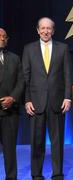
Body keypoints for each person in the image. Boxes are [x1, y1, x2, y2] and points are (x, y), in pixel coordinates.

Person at [22, 17, 73, 180]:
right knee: (36, 142)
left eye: (48, 28)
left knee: (58, 142)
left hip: (57, 102)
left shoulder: (63, 48)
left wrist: (67, 97)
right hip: (35, 103)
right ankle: (37, 174)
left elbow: (67, 75)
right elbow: (25, 77)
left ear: (53, 30)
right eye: (42, 28)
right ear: (37, 30)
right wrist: (27, 99)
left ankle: (57, 174)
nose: (45, 31)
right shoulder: (28, 49)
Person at [0, 28, 24, 180]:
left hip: (10, 112)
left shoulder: (15, 58)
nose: (3, 39)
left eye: (5, 37)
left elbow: (21, 81)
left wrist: (13, 98)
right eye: (0, 36)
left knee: (10, 151)